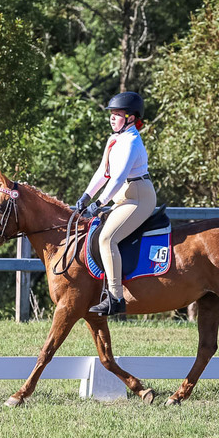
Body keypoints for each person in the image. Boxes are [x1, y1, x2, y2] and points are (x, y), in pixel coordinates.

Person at [75, 91, 157, 316]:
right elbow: (104, 172)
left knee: (107, 238)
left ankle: (115, 297)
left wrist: (100, 202)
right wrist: (86, 196)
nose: (112, 118)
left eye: (118, 114)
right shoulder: (114, 139)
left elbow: (119, 177)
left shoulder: (131, 141)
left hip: (138, 196)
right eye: (111, 114)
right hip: (123, 195)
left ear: (131, 118)